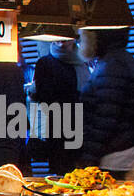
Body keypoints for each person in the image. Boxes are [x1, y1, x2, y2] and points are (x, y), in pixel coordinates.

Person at [79, 28, 134, 172]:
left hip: (118, 156)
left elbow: (106, 119)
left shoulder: (112, 66)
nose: (79, 42)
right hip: (128, 149)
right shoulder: (119, 60)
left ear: (95, 37)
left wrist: (88, 158)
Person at [32, 39, 90, 176]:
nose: (61, 38)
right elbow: (43, 102)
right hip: (59, 136)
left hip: (84, 135)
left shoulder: (86, 62)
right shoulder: (45, 63)